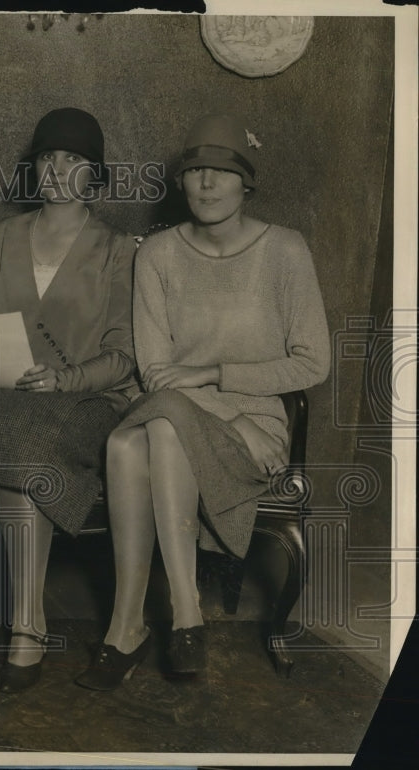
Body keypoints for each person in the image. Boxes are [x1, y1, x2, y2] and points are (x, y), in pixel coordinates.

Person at [74, 113, 330, 691]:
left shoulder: (286, 252)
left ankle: (133, 626)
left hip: (253, 426)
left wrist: (218, 375)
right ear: (182, 182)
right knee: (142, 430)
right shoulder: (159, 254)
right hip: (199, 411)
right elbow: (155, 371)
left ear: (247, 184)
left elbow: (314, 362)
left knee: (136, 437)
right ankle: (170, 617)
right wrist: (229, 410)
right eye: (195, 172)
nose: (207, 185)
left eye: (222, 172)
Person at [0, 108, 139, 700]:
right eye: (47, 157)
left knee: (26, 441)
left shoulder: (119, 251)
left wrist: (66, 380)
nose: (57, 170)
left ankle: (28, 626)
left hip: (85, 403)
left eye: (72, 160)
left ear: (94, 173)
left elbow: (126, 354)